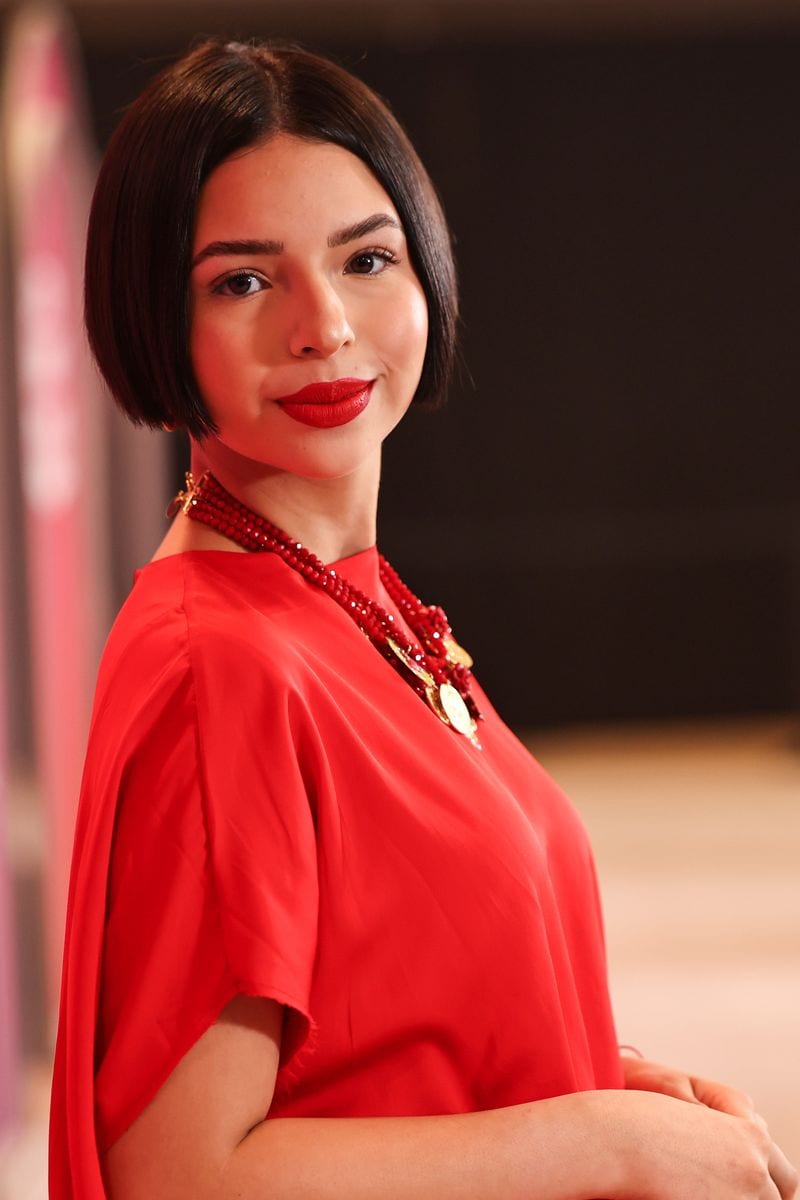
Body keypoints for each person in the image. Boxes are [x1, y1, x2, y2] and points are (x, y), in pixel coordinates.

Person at [49, 36, 797, 1200]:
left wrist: (607, 1082)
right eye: (242, 280)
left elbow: (378, 1034)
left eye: (365, 259)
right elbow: (180, 1174)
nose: (322, 327)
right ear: (155, 315)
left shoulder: (349, 599)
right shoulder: (225, 664)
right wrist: (601, 1145)